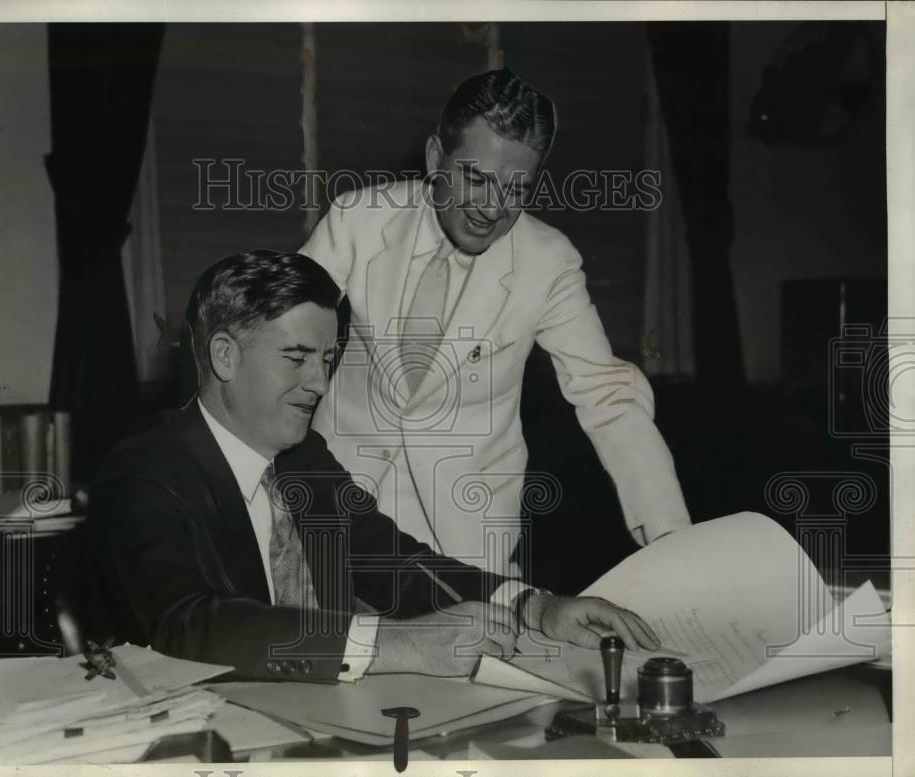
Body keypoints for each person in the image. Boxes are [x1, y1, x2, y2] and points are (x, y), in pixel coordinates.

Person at [81, 251, 661, 683]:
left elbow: (395, 561)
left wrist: (536, 606)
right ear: (225, 355)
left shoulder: (305, 460)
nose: (319, 384)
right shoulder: (144, 471)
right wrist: (397, 646)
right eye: (297, 358)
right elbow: (189, 626)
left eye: (329, 360)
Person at [300, 67, 691, 576]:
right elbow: (278, 338)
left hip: (466, 547)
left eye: (516, 188)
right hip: (337, 525)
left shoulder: (549, 261)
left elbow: (609, 397)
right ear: (435, 157)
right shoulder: (358, 219)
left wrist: (672, 540)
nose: (493, 208)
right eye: (477, 178)